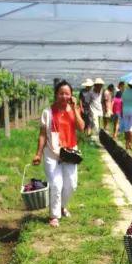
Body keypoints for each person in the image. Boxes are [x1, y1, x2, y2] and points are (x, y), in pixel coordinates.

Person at [33, 80, 85, 228]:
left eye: (67, 93)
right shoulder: (47, 112)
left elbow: (81, 127)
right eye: (61, 93)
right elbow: (43, 134)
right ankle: (54, 216)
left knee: (71, 185)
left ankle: (62, 207)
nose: (64, 96)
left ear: (71, 95)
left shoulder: (73, 110)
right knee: (56, 184)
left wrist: (75, 109)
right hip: (52, 152)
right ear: (56, 94)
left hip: (69, 153)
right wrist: (38, 153)